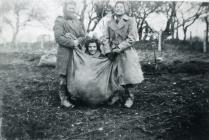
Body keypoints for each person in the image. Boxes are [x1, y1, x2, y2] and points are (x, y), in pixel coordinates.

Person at [103, 1, 144, 108]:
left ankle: (130, 97)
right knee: (113, 75)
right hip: (113, 52)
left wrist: (119, 47)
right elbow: (106, 38)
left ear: (125, 9)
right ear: (114, 9)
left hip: (126, 52)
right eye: (117, 7)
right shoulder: (109, 22)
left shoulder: (131, 21)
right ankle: (116, 96)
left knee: (128, 76)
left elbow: (132, 38)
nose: (118, 9)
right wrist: (108, 51)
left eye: (121, 7)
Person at [53, 0, 85, 108]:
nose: (72, 10)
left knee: (75, 74)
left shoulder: (78, 21)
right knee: (64, 76)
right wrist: (72, 42)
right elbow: (58, 38)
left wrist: (77, 40)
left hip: (76, 52)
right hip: (65, 53)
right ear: (65, 9)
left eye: (73, 8)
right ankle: (63, 99)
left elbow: (82, 35)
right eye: (70, 8)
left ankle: (72, 95)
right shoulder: (60, 20)